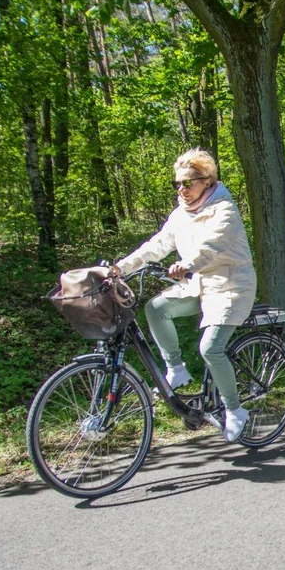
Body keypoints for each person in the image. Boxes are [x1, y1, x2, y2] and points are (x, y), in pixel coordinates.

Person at [109, 148, 257, 442]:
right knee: (156, 308)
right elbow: (156, 246)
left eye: (188, 183)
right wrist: (120, 267)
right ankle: (176, 368)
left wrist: (187, 264)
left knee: (211, 348)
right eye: (177, 183)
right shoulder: (180, 214)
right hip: (199, 284)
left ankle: (235, 410)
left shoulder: (224, 209)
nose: (181, 189)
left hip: (231, 285)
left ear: (207, 181)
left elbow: (212, 246)